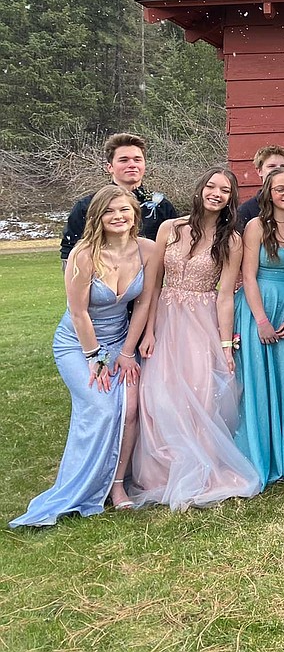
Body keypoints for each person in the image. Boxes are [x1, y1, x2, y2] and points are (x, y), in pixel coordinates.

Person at [11, 186, 157, 527]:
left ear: (135, 213)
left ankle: (118, 486)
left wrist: (125, 353)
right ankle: (82, 486)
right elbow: (79, 313)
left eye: (124, 210)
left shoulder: (147, 250)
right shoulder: (84, 254)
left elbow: (145, 303)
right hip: (78, 345)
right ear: (98, 217)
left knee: (132, 409)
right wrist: (95, 358)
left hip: (121, 341)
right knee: (102, 407)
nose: (118, 217)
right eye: (109, 212)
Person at [131, 168, 262, 509]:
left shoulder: (231, 240)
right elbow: (153, 285)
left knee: (202, 393)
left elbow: (224, 296)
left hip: (202, 321)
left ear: (232, 198)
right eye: (211, 186)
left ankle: (202, 467)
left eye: (225, 190)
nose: (216, 193)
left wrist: (225, 344)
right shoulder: (170, 228)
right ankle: (164, 470)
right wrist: (148, 331)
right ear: (201, 188)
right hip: (166, 318)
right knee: (159, 394)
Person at [234, 166, 284, 487]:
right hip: (257, 307)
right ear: (268, 193)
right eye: (280, 188)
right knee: (258, 382)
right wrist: (261, 320)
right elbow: (249, 276)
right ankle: (259, 456)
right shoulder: (255, 226)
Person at [61, 132, 178, 267]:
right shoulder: (88, 206)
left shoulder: (161, 206)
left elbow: (175, 249)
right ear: (110, 167)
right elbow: (69, 252)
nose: (132, 164)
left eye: (137, 159)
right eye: (124, 160)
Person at [235, 144, 284, 232]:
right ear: (259, 171)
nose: (278, 170)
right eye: (271, 166)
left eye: (283, 166)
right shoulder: (246, 211)